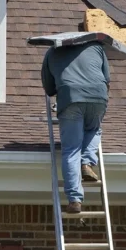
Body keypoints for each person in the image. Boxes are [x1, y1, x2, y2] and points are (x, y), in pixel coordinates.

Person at [41, 41, 111, 214]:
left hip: (70, 97)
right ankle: (86, 163)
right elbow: (107, 79)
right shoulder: (96, 47)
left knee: (72, 149)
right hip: (98, 95)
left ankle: (74, 200)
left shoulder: (52, 51)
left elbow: (49, 89)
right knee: (93, 129)